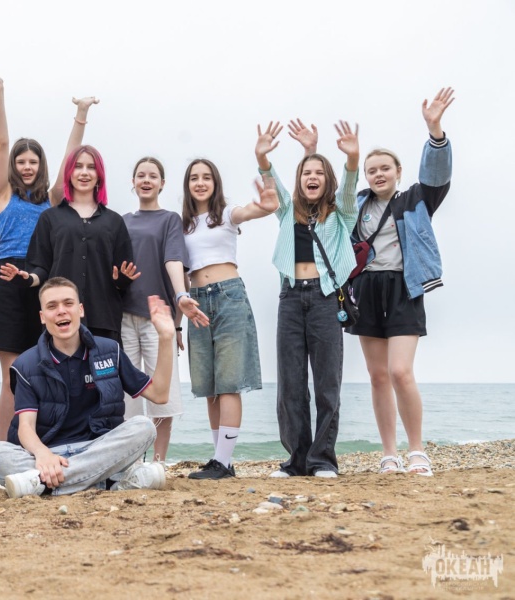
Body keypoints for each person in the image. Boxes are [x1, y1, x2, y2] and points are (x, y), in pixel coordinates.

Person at [0, 71, 98, 441]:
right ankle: (5, 450)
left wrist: (81, 113)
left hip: (43, 281)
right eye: (21, 161)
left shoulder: (52, 199)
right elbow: (1, 142)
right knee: (12, 376)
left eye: (33, 162)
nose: (27, 167)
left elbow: (71, 158)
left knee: (42, 371)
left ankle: (42, 441)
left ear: (41, 166)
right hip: (7, 280)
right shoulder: (2, 193)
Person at [347, 88, 455, 476]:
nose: (378, 174)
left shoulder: (415, 200)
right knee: (378, 376)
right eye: (371, 170)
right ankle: (389, 453)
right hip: (366, 291)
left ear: (398, 171)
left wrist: (435, 131)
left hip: (403, 289)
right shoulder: (356, 205)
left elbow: (437, 176)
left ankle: (417, 451)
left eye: (385, 168)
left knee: (400, 372)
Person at [0, 277, 175, 498]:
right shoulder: (25, 365)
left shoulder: (110, 351)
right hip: (50, 453)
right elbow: (25, 426)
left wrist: (166, 337)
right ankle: (106, 481)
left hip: (99, 448)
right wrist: (43, 454)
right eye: (52, 306)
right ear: (42, 316)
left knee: (144, 427)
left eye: (68, 303)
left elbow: (159, 395)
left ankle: (41, 483)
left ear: (80, 309)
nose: (61, 311)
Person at [254, 119, 360, 478]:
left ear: (327, 180)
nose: (311, 178)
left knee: (327, 383)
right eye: (305, 173)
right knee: (290, 384)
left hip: (325, 299)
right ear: (299, 180)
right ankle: (297, 460)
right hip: (290, 298)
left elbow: (349, 190)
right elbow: (272, 184)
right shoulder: (288, 211)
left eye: (318, 173)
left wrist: (352, 159)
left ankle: (322, 460)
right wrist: (263, 158)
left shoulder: (342, 214)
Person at [180, 158, 277, 480]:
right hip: (196, 301)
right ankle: (221, 459)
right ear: (187, 185)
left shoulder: (225, 213)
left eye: (206, 177)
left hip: (229, 296)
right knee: (209, 387)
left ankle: (222, 461)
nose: (200, 182)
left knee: (229, 382)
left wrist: (266, 204)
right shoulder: (182, 225)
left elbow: (252, 211)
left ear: (215, 182)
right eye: (194, 178)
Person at [0, 145, 136, 344]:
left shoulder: (115, 221)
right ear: (69, 173)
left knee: (104, 366)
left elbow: (123, 274)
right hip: (61, 320)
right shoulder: (49, 218)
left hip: (103, 318)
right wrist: (28, 278)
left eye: (91, 167)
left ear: (99, 175)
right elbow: (41, 267)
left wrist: (121, 280)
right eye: (78, 166)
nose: (84, 172)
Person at [121, 157, 204, 461]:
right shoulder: (121, 221)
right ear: (133, 182)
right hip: (123, 316)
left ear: (162, 183)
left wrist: (179, 308)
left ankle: (158, 463)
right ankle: (129, 463)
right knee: (127, 398)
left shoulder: (170, 220)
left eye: (153, 176)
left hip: (159, 318)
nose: (146, 180)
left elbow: (175, 262)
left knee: (162, 395)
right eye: (141, 175)